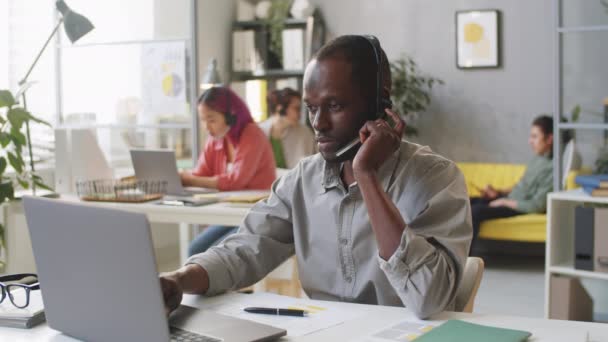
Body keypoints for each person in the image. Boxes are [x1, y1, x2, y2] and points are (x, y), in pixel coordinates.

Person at [162, 35, 472, 319]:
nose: (318, 123)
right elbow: (243, 251)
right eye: (311, 108)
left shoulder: (435, 178)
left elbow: (428, 298)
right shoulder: (302, 180)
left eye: (334, 105)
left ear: (380, 102)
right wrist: (178, 280)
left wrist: (366, 176)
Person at [180, 86, 276, 256]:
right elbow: (200, 174)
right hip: (230, 214)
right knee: (195, 250)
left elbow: (235, 181)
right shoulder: (215, 139)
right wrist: (182, 177)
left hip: (258, 217)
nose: (206, 127)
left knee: (215, 255)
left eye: (211, 120)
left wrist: (188, 180)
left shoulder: (252, 134)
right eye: (203, 120)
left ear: (231, 115)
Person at [470, 115, 554, 252]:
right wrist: (498, 193)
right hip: (509, 199)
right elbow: (522, 187)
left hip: (518, 206)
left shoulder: (553, 168)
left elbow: (536, 205)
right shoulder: (538, 159)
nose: (530, 141)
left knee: (476, 211)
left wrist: (504, 202)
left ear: (549, 139)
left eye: (535, 137)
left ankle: (464, 261)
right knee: (466, 201)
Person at [259, 88, 316, 169]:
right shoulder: (260, 132)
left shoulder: (305, 133)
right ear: (280, 108)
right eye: (296, 108)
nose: (299, 114)